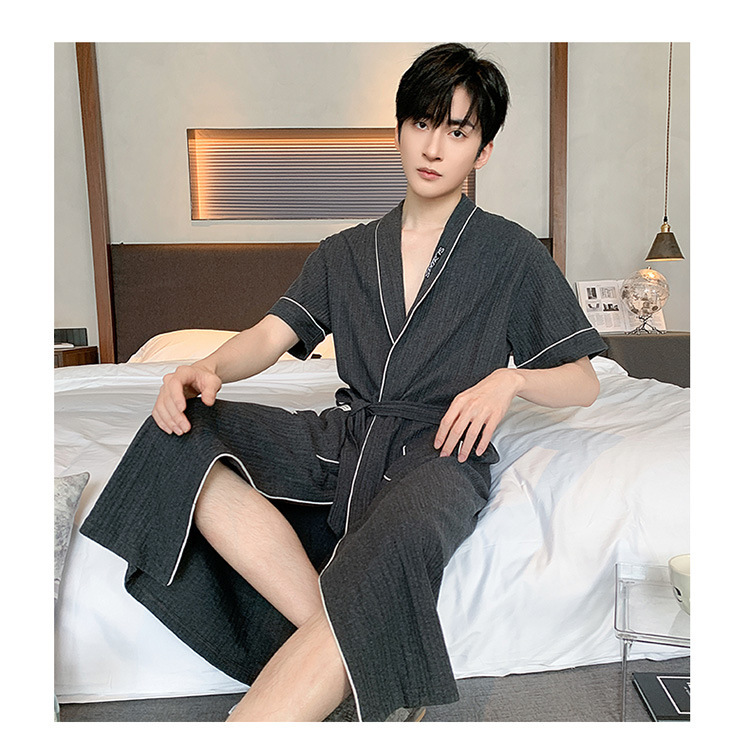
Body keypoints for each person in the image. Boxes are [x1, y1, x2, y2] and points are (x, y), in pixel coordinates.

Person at [81, 43, 607, 722]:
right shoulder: (345, 253)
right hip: (348, 439)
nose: (434, 146)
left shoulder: (510, 254)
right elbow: (268, 337)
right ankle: (365, 659)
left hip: (444, 451)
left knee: (390, 549)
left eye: (458, 131)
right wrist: (206, 368)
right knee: (178, 431)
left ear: (483, 152)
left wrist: (509, 382)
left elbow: (583, 381)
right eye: (422, 123)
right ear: (399, 129)